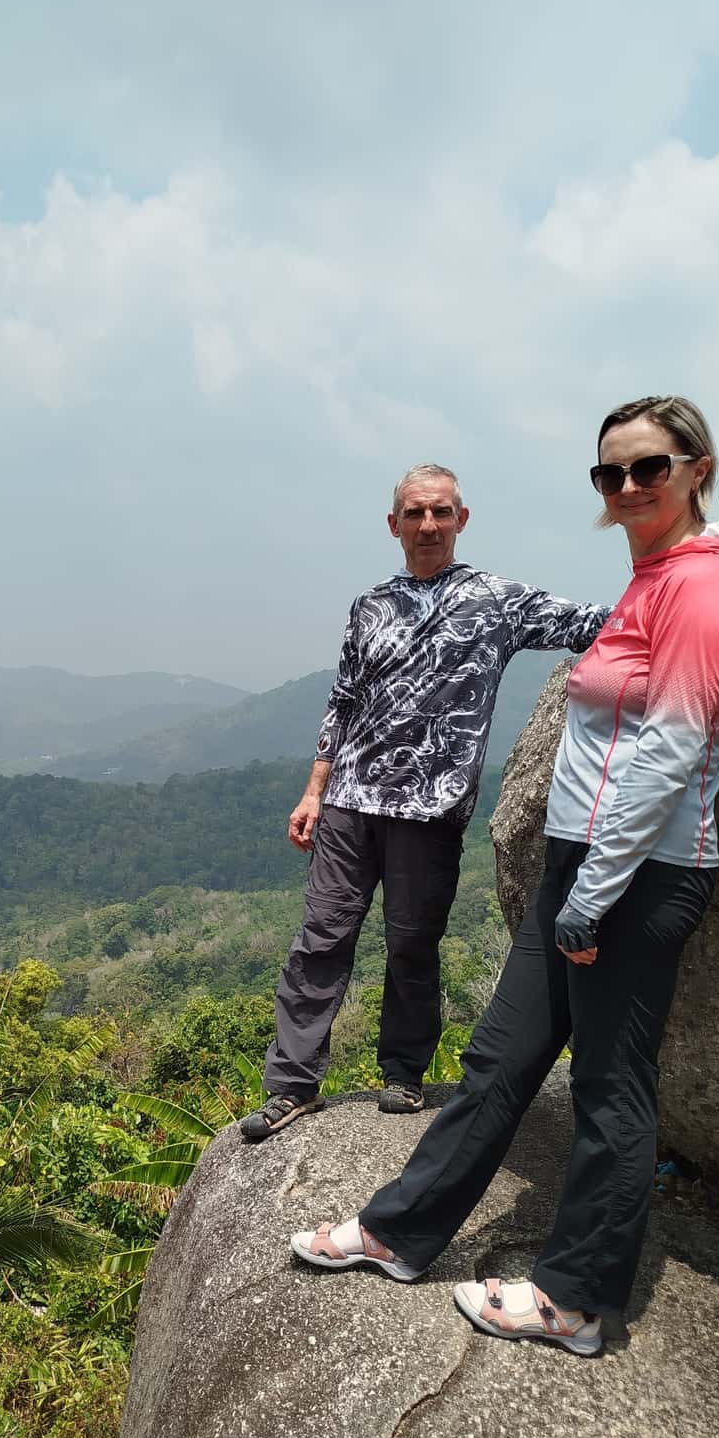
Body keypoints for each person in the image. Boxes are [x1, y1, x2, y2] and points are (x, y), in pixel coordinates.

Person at [290, 397, 719, 1357]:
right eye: (611, 473)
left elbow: (672, 748)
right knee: (501, 1060)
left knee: (607, 1082)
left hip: (637, 874)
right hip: (579, 867)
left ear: (697, 468)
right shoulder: (654, 578)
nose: (629, 487)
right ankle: (401, 1230)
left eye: (650, 467)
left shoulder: (707, 589)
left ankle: (577, 1298)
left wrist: (593, 891)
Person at [240, 463, 609, 1143]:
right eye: (415, 513)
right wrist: (313, 789)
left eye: (441, 511)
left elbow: (592, 623)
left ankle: (404, 1070)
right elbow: (343, 701)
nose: (429, 524)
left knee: (413, 944)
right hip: (350, 800)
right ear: (394, 525)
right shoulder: (370, 604)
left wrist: (690, 595)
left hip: (431, 808)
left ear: (461, 519)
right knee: (321, 940)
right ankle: (292, 1085)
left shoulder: (495, 599)